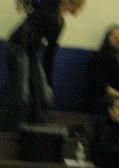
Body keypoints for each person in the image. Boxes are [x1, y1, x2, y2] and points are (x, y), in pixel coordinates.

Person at [4, 0, 85, 133]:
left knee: (45, 96)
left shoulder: (60, 23)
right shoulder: (50, 4)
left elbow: (49, 55)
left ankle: (34, 129)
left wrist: (48, 84)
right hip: (18, 45)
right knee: (21, 94)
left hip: (31, 52)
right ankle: (9, 132)